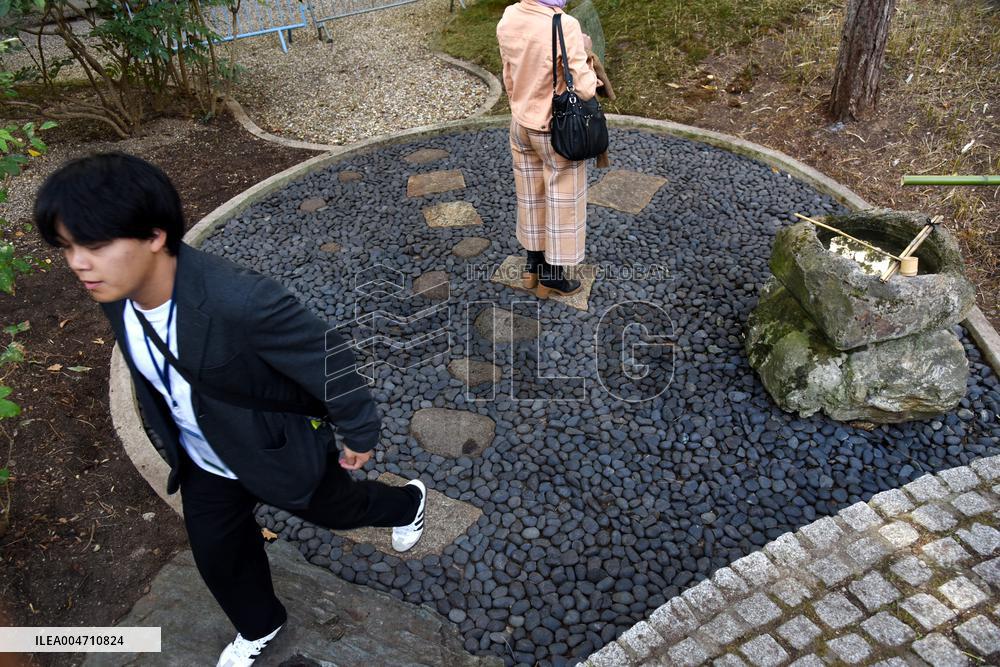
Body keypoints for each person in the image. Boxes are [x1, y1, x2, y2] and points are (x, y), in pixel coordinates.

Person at [34, 153, 427, 667]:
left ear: (154, 235)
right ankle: (260, 623)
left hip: (273, 449)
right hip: (204, 461)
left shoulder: (242, 300)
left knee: (339, 511)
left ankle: (407, 503)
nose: (78, 263)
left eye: (94, 245)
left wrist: (359, 432)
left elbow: (328, 360)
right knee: (219, 555)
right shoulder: (114, 292)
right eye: (67, 247)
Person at [497, 0, 601, 298]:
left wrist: (519, 106)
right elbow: (585, 88)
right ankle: (552, 277)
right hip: (555, 129)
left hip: (521, 124)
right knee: (561, 199)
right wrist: (584, 50)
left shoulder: (510, 15)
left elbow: (508, 74)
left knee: (530, 195)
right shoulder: (564, 24)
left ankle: (533, 266)